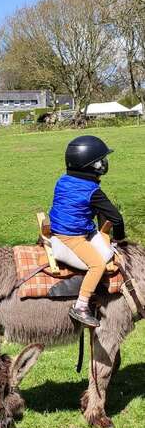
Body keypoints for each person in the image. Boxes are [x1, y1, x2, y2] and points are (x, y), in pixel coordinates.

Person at [49, 135, 126, 327]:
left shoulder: (64, 180)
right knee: (98, 265)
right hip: (72, 237)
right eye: (101, 160)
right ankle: (81, 306)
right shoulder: (92, 191)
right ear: (90, 164)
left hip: (59, 227)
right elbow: (116, 218)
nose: (104, 163)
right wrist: (120, 239)